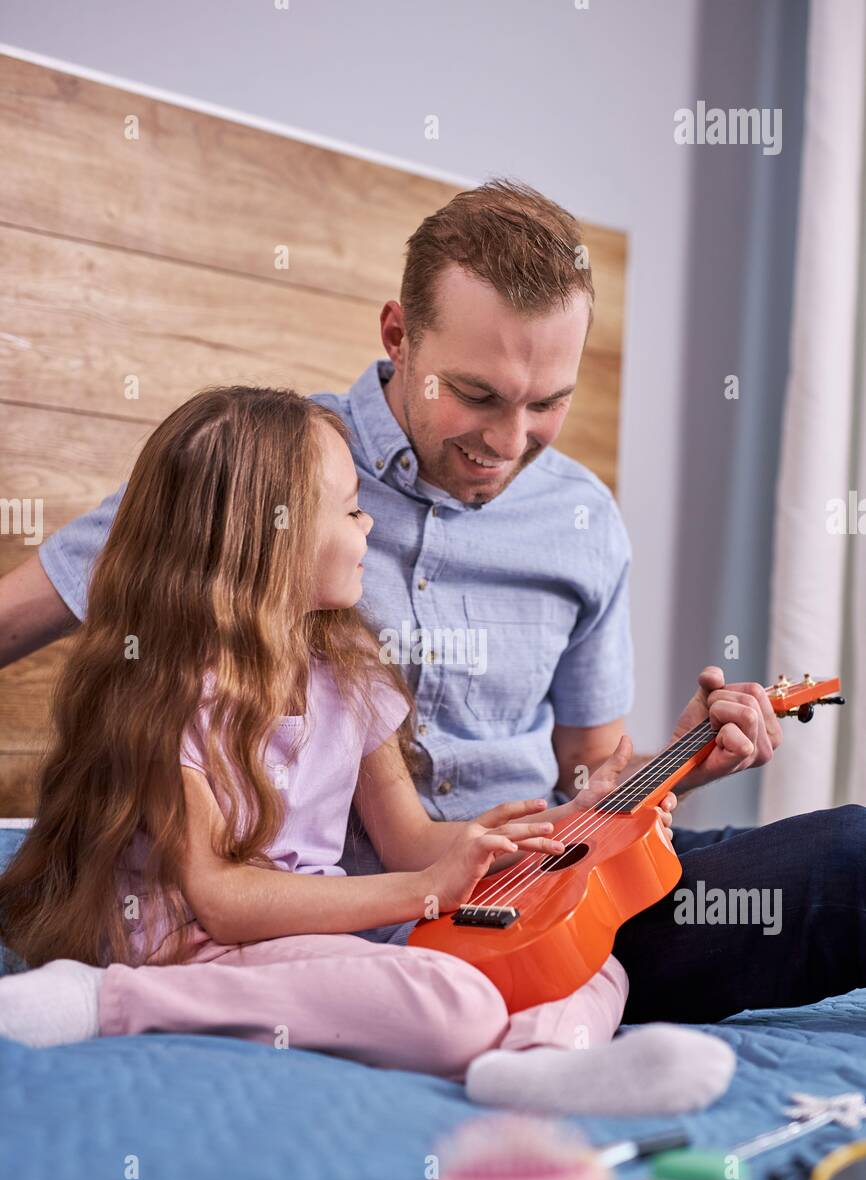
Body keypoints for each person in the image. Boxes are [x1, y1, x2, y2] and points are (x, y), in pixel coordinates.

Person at [1, 178, 862, 1102]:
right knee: (458, 990)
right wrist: (427, 890)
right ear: (398, 337)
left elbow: (589, 777)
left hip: (526, 878)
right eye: (479, 395)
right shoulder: (254, 473)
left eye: (547, 403)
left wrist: (678, 759)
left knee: (846, 855)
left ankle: (543, 1069)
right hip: (372, 916)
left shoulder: (581, 519)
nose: (509, 440)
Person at [0, 383, 734, 1115]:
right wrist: (423, 892)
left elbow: (409, 836)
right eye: (352, 509)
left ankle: (538, 1063)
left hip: (302, 935)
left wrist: (516, 839)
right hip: (192, 946)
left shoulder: (348, 677)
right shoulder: (172, 689)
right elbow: (219, 900)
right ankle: (108, 1001)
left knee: (589, 957)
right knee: (452, 1004)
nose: (370, 526)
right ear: (269, 535)